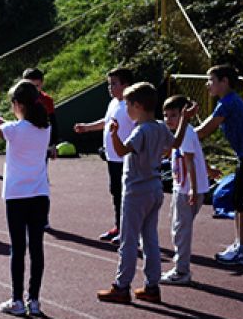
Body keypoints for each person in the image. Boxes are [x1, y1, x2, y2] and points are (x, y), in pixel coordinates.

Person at [97, 82, 186, 304]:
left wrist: (115, 134)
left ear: (137, 106)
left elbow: (121, 150)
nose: (126, 109)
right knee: (150, 239)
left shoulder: (141, 130)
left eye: (128, 104)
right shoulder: (159, 127)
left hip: (136, 191)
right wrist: (185, 119)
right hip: (154, 188)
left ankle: (121, 285)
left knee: (128, 240)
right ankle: (152, 286)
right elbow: (176, 143)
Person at [0, 80, 51, 316]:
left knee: (18, 248)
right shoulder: (44, 127)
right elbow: (13, 128)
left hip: (17, 196)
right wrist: (0, 121)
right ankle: (35, 300)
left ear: (18, 104)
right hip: (39, 194)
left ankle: (17, 299)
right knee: (37, 247)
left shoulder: (14, 129)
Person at [186, 65, 243, 266]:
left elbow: (204, 131)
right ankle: (240, 244)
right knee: (238, 201)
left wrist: (176, 135)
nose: (208, 85)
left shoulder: (227, 103)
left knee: (242, 202)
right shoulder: (226, 102)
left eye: (211, 80)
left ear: (224, 82)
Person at [73, 68, 135, 242]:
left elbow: (140, 128)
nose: (110, 87)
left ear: (126, 85)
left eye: (114, 83)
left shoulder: (132, 105)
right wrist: (87, 127)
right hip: (112, 158)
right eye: (109, 84)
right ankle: (119, 226)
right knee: (116, 193)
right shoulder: (113, 103)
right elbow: (105, 122)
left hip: (126, 159)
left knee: (126, 195)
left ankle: (129, 231)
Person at [161, 95, 210, 285]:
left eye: (173, 115)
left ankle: (182, 271)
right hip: (181, 187)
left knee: (182, 230)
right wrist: (208, 169)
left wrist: (193, 189)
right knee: (177, 227)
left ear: (184, 114)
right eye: (166, 115)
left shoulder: (186, 134)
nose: (168, 119)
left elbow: (190, 162)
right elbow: (197, 155)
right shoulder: (183, 133)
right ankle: (180, 268)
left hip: (187, 190)